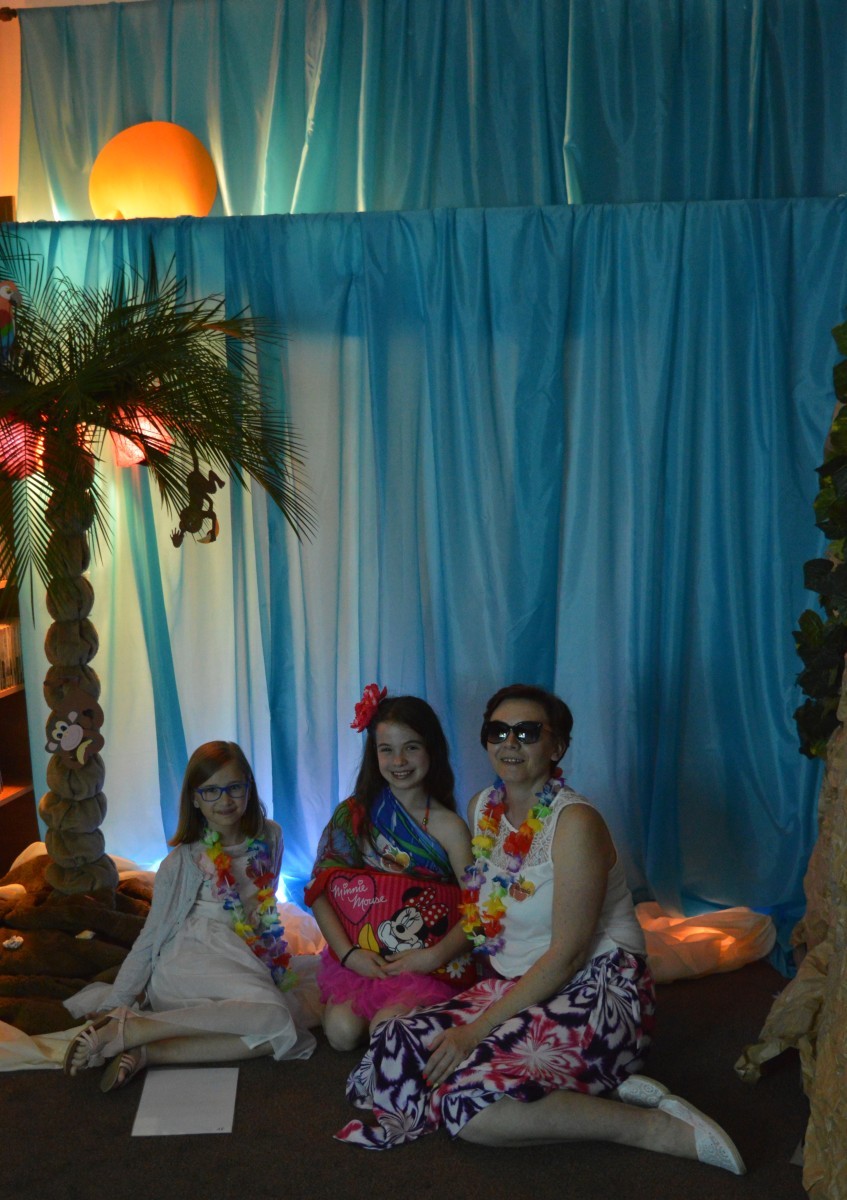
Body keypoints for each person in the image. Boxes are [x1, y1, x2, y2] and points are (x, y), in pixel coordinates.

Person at [337, 684, 745, 1176]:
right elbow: (481, 912)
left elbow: (568, 956)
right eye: (498, 731)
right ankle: (595, 1085)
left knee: (471, 1107)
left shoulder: (575, 823)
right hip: (518, 986)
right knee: (396, 1044)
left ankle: (654, 1127)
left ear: (557, 747)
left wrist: (474, 1033)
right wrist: (433, 958)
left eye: (528, 732)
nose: (510, 743)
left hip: (594, 988)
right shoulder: (483, 808)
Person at [62, 740, 316, 1090]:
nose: (224, 800)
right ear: (194, 799)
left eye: (234, 787)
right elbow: (151, 936)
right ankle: (126, 1025)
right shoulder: (182, 862)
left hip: (243, 956)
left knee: (281, 1032)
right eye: (210, 791)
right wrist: (116, 1001)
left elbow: (265, 901)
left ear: (249, 788)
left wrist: (266, 956)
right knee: (275, 1016)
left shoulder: (271, 836)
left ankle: (149, 1050)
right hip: (191, 959)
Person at [305, 687, 474, 1051]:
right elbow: (318, 890)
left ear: (432, 750)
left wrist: (432, 957)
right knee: (341, 1033)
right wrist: (349, 955)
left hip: (427, 962)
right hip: (362, 954)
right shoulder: (353, 815)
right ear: (374, 755)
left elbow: (479, 910)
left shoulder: (450, 828)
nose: (399, 760)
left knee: (386, 1029)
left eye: (411, 747)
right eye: (386, 749)